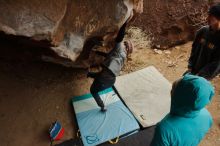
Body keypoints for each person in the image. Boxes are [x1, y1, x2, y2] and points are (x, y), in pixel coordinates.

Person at [151, 74, 214, 146]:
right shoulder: (207, 115)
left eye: (173, 90)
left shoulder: (164, 129)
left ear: (180, 98)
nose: (171, 91)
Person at [87, 21, 133, 112]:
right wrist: (97, 52)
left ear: (125, 45)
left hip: (105, 78)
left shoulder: (119, 49)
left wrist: (124, 24)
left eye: (124, 43)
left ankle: (103, 107)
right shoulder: (123, 57)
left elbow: (120, 37)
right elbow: (109, 56)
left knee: (93, 90)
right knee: (97, 77)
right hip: (111, 80)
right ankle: (90, 74)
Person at [185, 3, 220, 80]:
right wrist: (190, 67)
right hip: (193, 69)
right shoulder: (202, 31)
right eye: (208, 15)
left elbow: (216, 64)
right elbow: (194, 49)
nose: (207, 18)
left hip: (204, 76)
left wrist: (200, 76)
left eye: (211, 17)